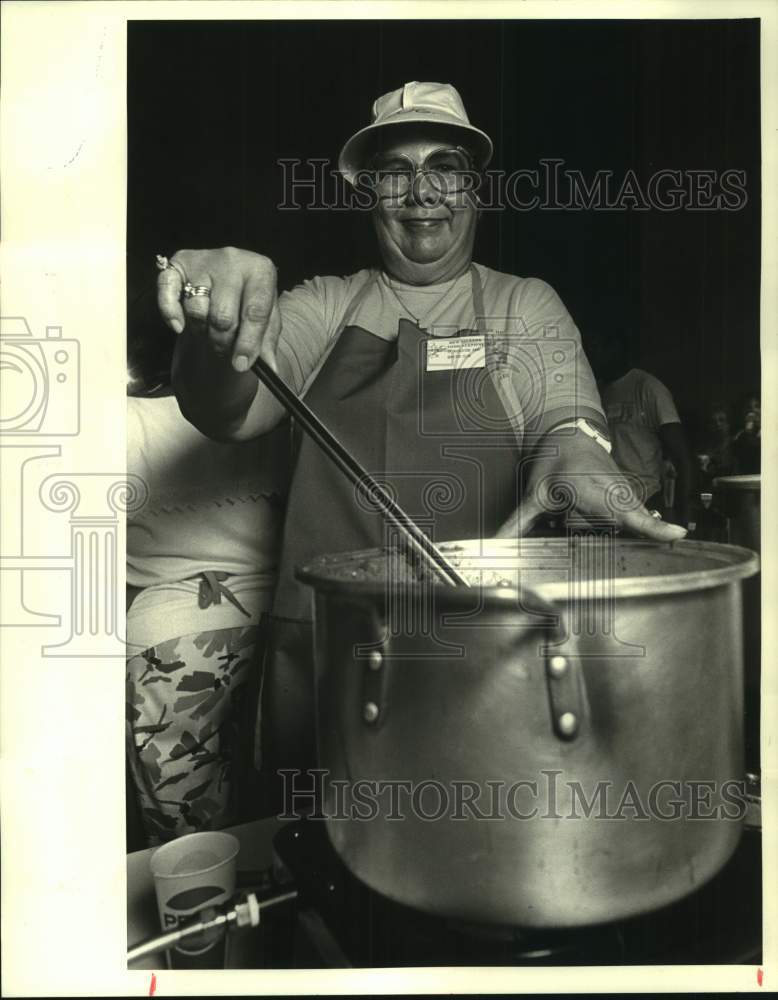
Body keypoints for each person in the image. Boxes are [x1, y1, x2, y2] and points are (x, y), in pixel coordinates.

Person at [156, 81, 685, 781]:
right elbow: (226, 408)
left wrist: (576, 452)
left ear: (475, 189)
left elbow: (566, 415)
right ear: (368, 192)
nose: (421, 191)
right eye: (395, 172)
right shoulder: (325, 304)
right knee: (313, 859)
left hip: (477, 655)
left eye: (445, 168)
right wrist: (210, 328)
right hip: (324, 652)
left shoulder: (521, 304)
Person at [126, 360, 289, 844]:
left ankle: (209, 908)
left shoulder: (114, 420)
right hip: (284, 610)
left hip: (172, 640)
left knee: (189, 826)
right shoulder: (275, 404)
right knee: (287, 799)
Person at [590, 336, 693, 526]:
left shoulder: (648, 388)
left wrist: (683, 517)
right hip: (606, 505)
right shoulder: (595, 391)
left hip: (646, 502)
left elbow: (682, 457)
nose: (593, 354)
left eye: (599, 346)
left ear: (616, 347)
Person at [731, 391, 760, 474]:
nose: (753, 410)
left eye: (757, 406)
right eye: (749, 407)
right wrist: (748, 430)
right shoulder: (740, 436)